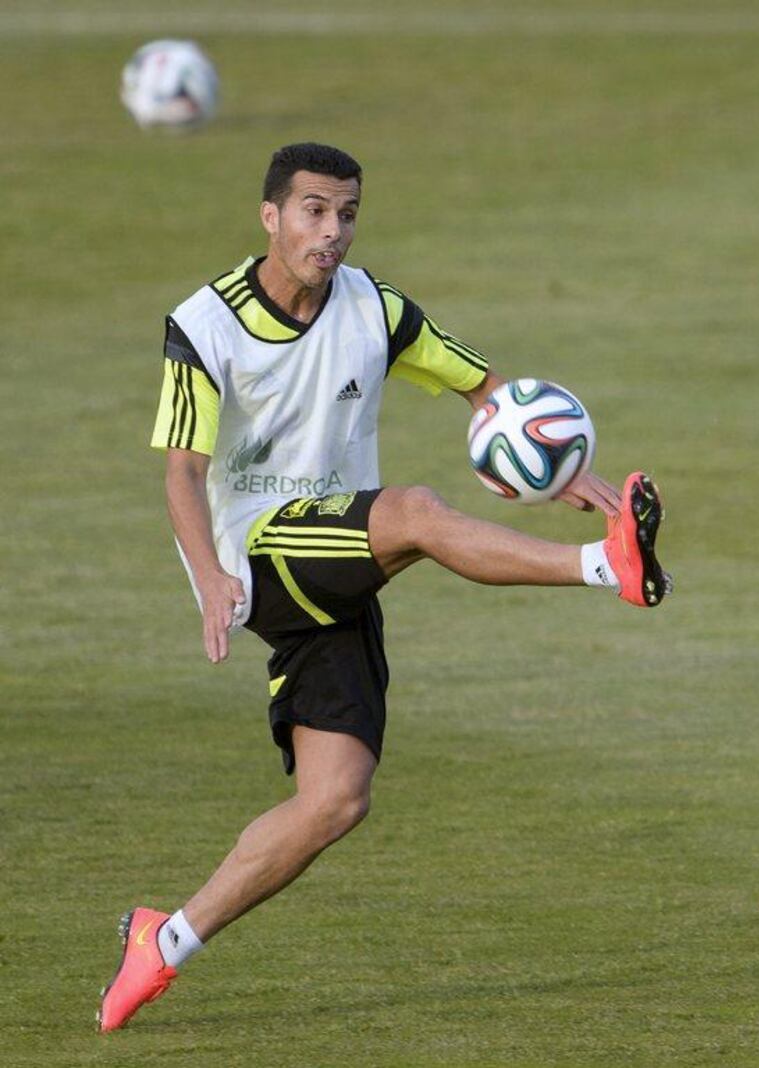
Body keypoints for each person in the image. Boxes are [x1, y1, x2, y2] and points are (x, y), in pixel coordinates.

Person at [97, 142, 671, 1033]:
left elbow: (484, 389)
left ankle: (162, 942)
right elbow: (183, 469)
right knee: (409, 511)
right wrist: (208, 573)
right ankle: (607, 566)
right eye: (315, 211)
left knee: (336, 801)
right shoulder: (203, 325)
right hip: (253, 553)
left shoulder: (376, 306)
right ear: (272, 216)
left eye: (348, 214)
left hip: (331, 557)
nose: (333, 232)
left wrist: (547, 464)